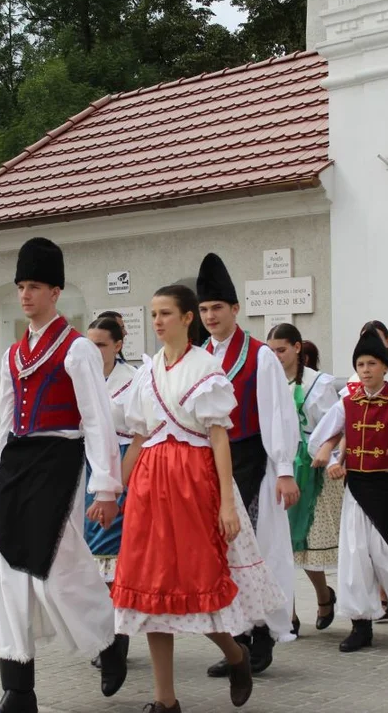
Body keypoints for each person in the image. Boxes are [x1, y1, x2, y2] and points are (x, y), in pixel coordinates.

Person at [115, 283, 284, 713]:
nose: (157, 321)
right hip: (151, 486)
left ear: (188, 318)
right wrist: (115, 486)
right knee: (150, 591)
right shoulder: (146, 371)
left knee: (197, 583)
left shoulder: (207, 368)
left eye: (166, 313)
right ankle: (164, 700)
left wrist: (228, 502)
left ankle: (236, 655)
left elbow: (219, 439)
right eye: (153, 314)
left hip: (193, 483)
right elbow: (138, 436)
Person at [0, 237, 127, 713]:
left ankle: (109, 640)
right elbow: (6, 419)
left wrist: (106, 486)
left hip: (60, 460)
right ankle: (18, 688)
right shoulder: (11, 355)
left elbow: (97, 420)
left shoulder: (78, 349)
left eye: (35, 287)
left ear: (56, 291)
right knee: (6, 570)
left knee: (57, 566)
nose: (26, 295)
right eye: (22, 286)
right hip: (17, 463)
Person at [195, 253, 298, 678]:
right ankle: (234, 638)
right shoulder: (196, 356)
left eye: (217, 307)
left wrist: (286, 467)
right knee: (221, 554)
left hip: (254, 462)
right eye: (203, 309)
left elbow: (277, 413)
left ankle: (261, 637)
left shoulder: (259, 356)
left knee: (259, 551)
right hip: (209, 467)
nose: (210, 316)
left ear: (235, 309)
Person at [308, 330, 388, 652]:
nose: (365, 370)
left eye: (372, 363)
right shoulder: (346, 403)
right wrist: (332, 458)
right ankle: (360, 624)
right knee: (354, 556)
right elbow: (321, 437)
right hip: (357, 489)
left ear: (385, 367)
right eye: (360, 364)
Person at [267, 324, 341, 633]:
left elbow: (333, 426)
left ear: (298, 348)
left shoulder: (319, 383)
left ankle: (324, 596)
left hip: (313, 468)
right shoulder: (268, 382)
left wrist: (331, 458)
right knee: (281, 545)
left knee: (307, 543)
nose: (276, 356)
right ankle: (290, 615)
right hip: (277, 466)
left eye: (281, 350)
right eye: (271, 351)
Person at [84, 317, 136, 670]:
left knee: (115, 555)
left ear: (118, 345)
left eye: (102, 344)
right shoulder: (82, 380)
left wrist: (119, 484)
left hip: (122, 468)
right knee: (92, 557)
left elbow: (140, 435)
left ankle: (118, 636)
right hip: (87, 469)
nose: (95, 351)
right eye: (90, 345)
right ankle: (105, 632)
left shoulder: (132, 381)